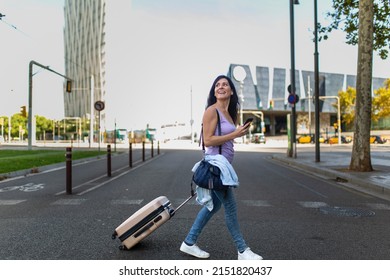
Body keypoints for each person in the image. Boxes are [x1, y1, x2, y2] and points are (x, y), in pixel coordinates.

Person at [180, 75, 263, 260]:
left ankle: (189, 242)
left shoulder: (228, 113)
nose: (221, 87)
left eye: (225, 84)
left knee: (212, 207)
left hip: (224, 165)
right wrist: (234, 133)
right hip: (215, 165)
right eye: (217, 85)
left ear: (231, 91)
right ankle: (242, 250)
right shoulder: (212, 111)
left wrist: (238, 131)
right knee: (231, 208)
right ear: (214, 91)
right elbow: (208, 140)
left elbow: (226, 136)